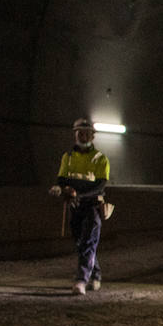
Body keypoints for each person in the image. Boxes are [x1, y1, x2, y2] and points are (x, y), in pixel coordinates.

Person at [49, 118, 110, 295]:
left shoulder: (100, 159)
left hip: (91, 206)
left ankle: (81, 280)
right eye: (79, 133)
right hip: (74, 206)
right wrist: (59, 188)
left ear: (92, 136)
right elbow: (62, 179)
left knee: (88, 243)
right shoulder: (67, 157)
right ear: (75, 134)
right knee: (80, 243)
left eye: (86, 133)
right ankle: (96, 274)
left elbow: (99, 186)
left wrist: (78, 193)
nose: (82, 136)